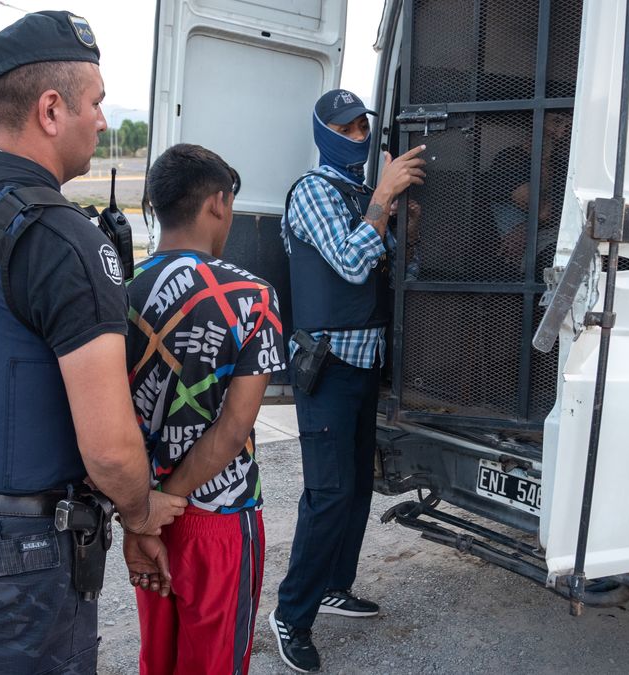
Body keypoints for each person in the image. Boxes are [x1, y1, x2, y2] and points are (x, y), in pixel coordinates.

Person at [0, 11, 186, 673]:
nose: (101, 120)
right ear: (51, 110)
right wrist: (139, 513)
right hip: (13, 552)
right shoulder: (61, 239)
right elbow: (109, 450)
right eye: (96, 103)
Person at [270, 88, 426, 672]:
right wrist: (383, 198)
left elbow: (394, 267)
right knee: (329, 493)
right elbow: (352, 262)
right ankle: (291, 614)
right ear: (324, 134)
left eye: (363, 127)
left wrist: (400, 216)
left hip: (365, 364)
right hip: (329, 366)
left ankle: (334, 586)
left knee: (357, 486)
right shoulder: (313, 191)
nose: (358, 136)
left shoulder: (362, 195)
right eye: (346, 129)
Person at [125, 143, 286, 674]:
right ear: (218, 202)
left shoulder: (120, 292)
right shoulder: (254, 297)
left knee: (158, 658)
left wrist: (144, 514)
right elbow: (233, 428)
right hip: (220, 519)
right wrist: (171, 499)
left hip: (145, 514)